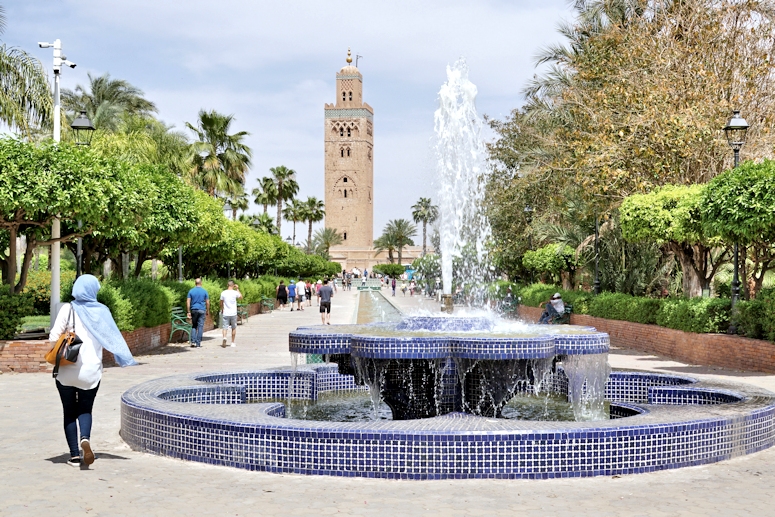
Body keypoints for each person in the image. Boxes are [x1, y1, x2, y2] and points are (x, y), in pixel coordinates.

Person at [50, 274, 137, 467]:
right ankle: (85, 439)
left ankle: (73, 455)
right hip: (91, 372)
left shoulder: (67, 309)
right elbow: (112, 338)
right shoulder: (102, 311)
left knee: (69, 411)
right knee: (85, 408)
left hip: (66, 369)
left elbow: (53, 337)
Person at [186, 278, 210, 348]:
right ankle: (198, 343)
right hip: (202, 310)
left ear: (195, 283)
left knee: (194, 326)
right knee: (200, 327)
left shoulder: (191, 291)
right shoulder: (204, 291)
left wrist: (188, 311)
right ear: (201, 283)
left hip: (194, 310)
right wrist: (207, 310)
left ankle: (193, 341)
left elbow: (188, 301)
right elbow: (207, 302)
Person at [220, 281, 243, 347]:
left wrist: (222, 309)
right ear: (233, 285)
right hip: (233, 313)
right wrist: (237, 289)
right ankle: (232, 342)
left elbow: (221, 302)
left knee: (225, 327)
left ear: (227, 285)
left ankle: (224, 337)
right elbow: (241, 297)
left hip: (226, 312)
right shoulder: (235, 293)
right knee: (233, 327)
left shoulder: (223, 293)